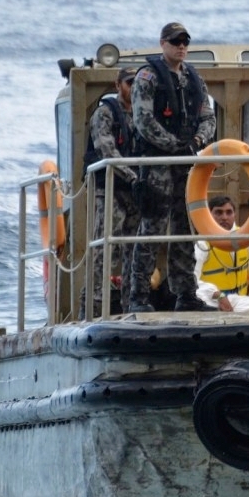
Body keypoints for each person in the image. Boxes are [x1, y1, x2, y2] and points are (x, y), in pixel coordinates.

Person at [128, 22, 216, 312]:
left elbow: (207, 116)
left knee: (184, 229)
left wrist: (196, 142)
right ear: (162, 43)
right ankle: (137, 296)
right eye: (176, 41)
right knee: (151, 229)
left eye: (185, 42)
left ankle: (186, 294)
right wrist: (173, 145)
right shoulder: (147, 77)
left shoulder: (193, 78)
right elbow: (143, 121)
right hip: (156, 165)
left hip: (186, 164)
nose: (181, 47)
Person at [79, 66, 141, 318]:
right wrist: (134, 176)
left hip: (136, 192)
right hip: (111, 190)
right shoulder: (105, 114)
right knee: (104, 250)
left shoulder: (143, 115)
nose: (134, 87)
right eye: (129, 82)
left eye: (137, 83)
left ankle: (131, 304)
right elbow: (107, 150)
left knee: (133, 249)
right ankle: (92, 308)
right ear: (118, 85)